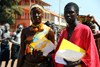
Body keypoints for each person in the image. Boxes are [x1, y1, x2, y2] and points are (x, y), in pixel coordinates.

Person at [52, 2, 100, 67]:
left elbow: (92, 55)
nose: (67, 15)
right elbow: (58, 53)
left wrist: (77, 62)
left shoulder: (85, 30)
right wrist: (45, 55)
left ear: (77, 15)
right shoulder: (65, 31)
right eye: (65, 12)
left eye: (71, 12)